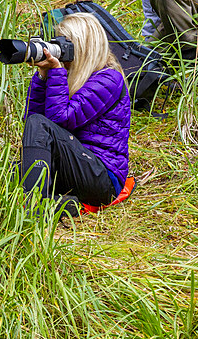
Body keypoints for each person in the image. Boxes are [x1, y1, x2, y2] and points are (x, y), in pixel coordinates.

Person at [22, 13, 132, 215]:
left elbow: (59, 120)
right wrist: (42, 78)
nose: (62, 52)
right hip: (74, 166)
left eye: (67, 45)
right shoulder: (71, 78)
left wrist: (56, 71)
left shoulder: (109, 79)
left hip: (103, 178)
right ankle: (64, 204)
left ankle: (34, 208)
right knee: (3, 171)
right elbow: (32, 125)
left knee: (39, 125)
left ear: (84, 47)